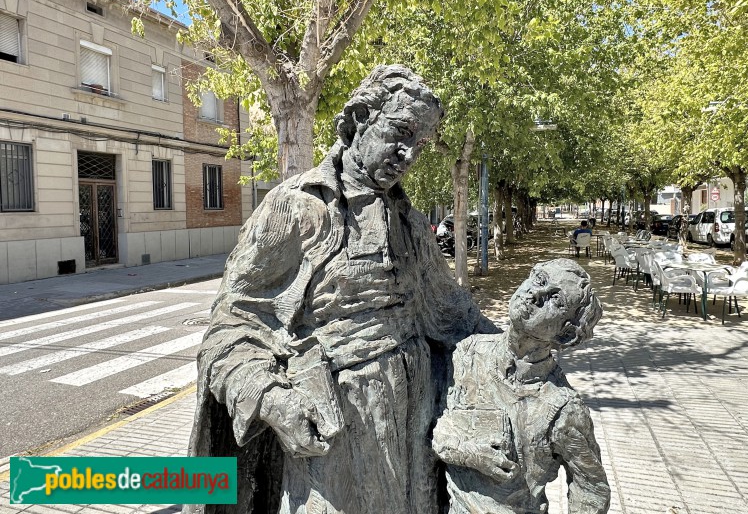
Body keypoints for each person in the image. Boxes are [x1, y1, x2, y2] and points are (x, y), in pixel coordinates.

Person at [184, 65, 482, 514]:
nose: (407, 155)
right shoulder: (295, 208)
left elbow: (457, 317)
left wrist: (525, 349)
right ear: (361, 117)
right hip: (334, 432)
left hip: (415, 421)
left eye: (419, 144)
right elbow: (231, 325)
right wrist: (270, 399)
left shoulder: (412, 224)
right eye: (400, 132)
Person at [432, 259, 610, 514]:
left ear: (566, 334)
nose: (536, 295)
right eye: (539, 280)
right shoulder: (467, 353)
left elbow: (592, 489)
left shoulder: (562, 408)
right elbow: (433, 429)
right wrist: (467, 452)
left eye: (556, 300)